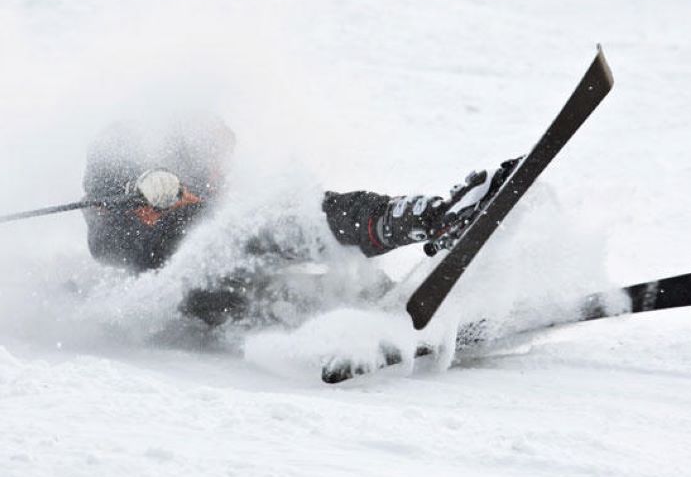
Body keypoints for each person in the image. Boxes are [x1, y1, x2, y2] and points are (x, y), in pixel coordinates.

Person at [81, 114, 518, 327]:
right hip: (186, 289)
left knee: (308, 222)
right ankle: (434, 220)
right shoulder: (129, 161)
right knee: (288, 223)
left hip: (241, 285)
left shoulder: (217, 194)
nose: (221, 169)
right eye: (213, 158)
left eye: (224, 159)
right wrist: (135, 199)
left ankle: (395, 294)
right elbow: (106, 240)